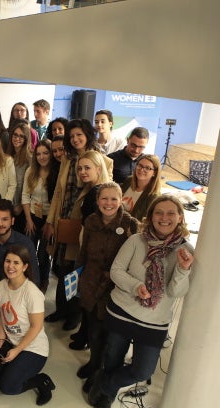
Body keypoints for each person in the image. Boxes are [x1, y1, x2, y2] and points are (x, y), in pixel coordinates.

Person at [88, 195, 194, 408]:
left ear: (180, 217)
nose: (164, 218)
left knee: (143, 371)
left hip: (154, 321)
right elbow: (116, 271)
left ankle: (105, 383)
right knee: (112, 358)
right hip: (122, 312)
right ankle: (107, 394)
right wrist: (136, 286)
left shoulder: (185, 250)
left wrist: (183, 270)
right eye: (159, 213)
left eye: (170, 213)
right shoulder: (136, 240)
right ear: (151, 216)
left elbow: (176, 291)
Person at [45, 119, 113, 331]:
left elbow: (106, 193)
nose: (75, 139)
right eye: (71, 136)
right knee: (61, 267)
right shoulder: (68, 158)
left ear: (87, 135)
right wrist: (51, 221)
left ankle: (74, 314)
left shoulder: (103, 159)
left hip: (84, 220)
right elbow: (59, 192)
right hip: (65, 219)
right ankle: (61, 309)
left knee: (77, 270)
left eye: (79, 135)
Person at [75, 182, 139, 392]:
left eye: (114, 199)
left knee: (106, 334)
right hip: (90, 282)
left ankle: (99, 372)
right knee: (92, 329)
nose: (108, 203)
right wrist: (77, 275)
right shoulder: (92, 220)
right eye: (104, 198)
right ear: (97, 200)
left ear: (121, 201)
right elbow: (83, 252)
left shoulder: (130, 226)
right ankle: (93, 363)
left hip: (113, 288)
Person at [0, 245, 55, 406]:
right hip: (11, 341)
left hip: (33, 348)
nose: (10, 266)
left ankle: (41, 381)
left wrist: (17, 351)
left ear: (25, 266)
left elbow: (36, 327)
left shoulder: (32, 293)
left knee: (8, 387)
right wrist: (1, 341)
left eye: (16, 263)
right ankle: (15, 370)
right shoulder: (2, 285)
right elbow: (3, 315)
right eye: (8, 261)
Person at [0, 199, 39, 345]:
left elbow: (34, 274)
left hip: (20, 296)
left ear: (12, 221)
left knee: (20, 332)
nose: (0, 224)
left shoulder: (25, 243)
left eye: (5, 219)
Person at [22, 140, 55, 288]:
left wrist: (51, 223)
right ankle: (30, 279)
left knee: (43, 253)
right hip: (33, 215)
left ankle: (44, 280)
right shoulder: (31, 171)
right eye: (39, 154)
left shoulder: (56, 172)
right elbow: (25, 196)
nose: (42, 157)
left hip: (49, 218)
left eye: (45, 153)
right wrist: (29, 220)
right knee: (29, 251)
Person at [5, 121, 33, 231]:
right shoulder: (7, 156)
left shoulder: (29, 159)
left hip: (21, 209)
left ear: (26, 139)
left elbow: (31, 186)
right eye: (15, 135)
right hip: (8, 205)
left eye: (21, 136)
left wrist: (20, 205)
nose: (17, 138)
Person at [121, 154, 161, 221]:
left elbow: (144, 222)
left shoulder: (153, 197)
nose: (142, 170)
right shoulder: (129, 181)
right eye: (140, 165)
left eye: (147, 168)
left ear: (154, 173)